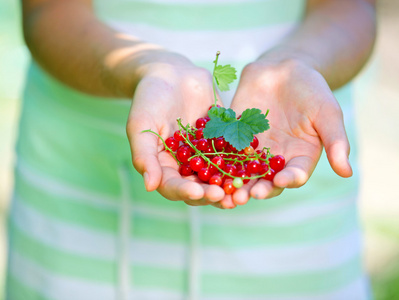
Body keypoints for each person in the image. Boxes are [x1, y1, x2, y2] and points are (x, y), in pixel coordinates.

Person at [7, 0, 376, 299]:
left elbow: (350, 7)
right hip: (77, 201)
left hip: (298, 225)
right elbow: (48, 9)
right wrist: (145, 67)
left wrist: (297, 62)